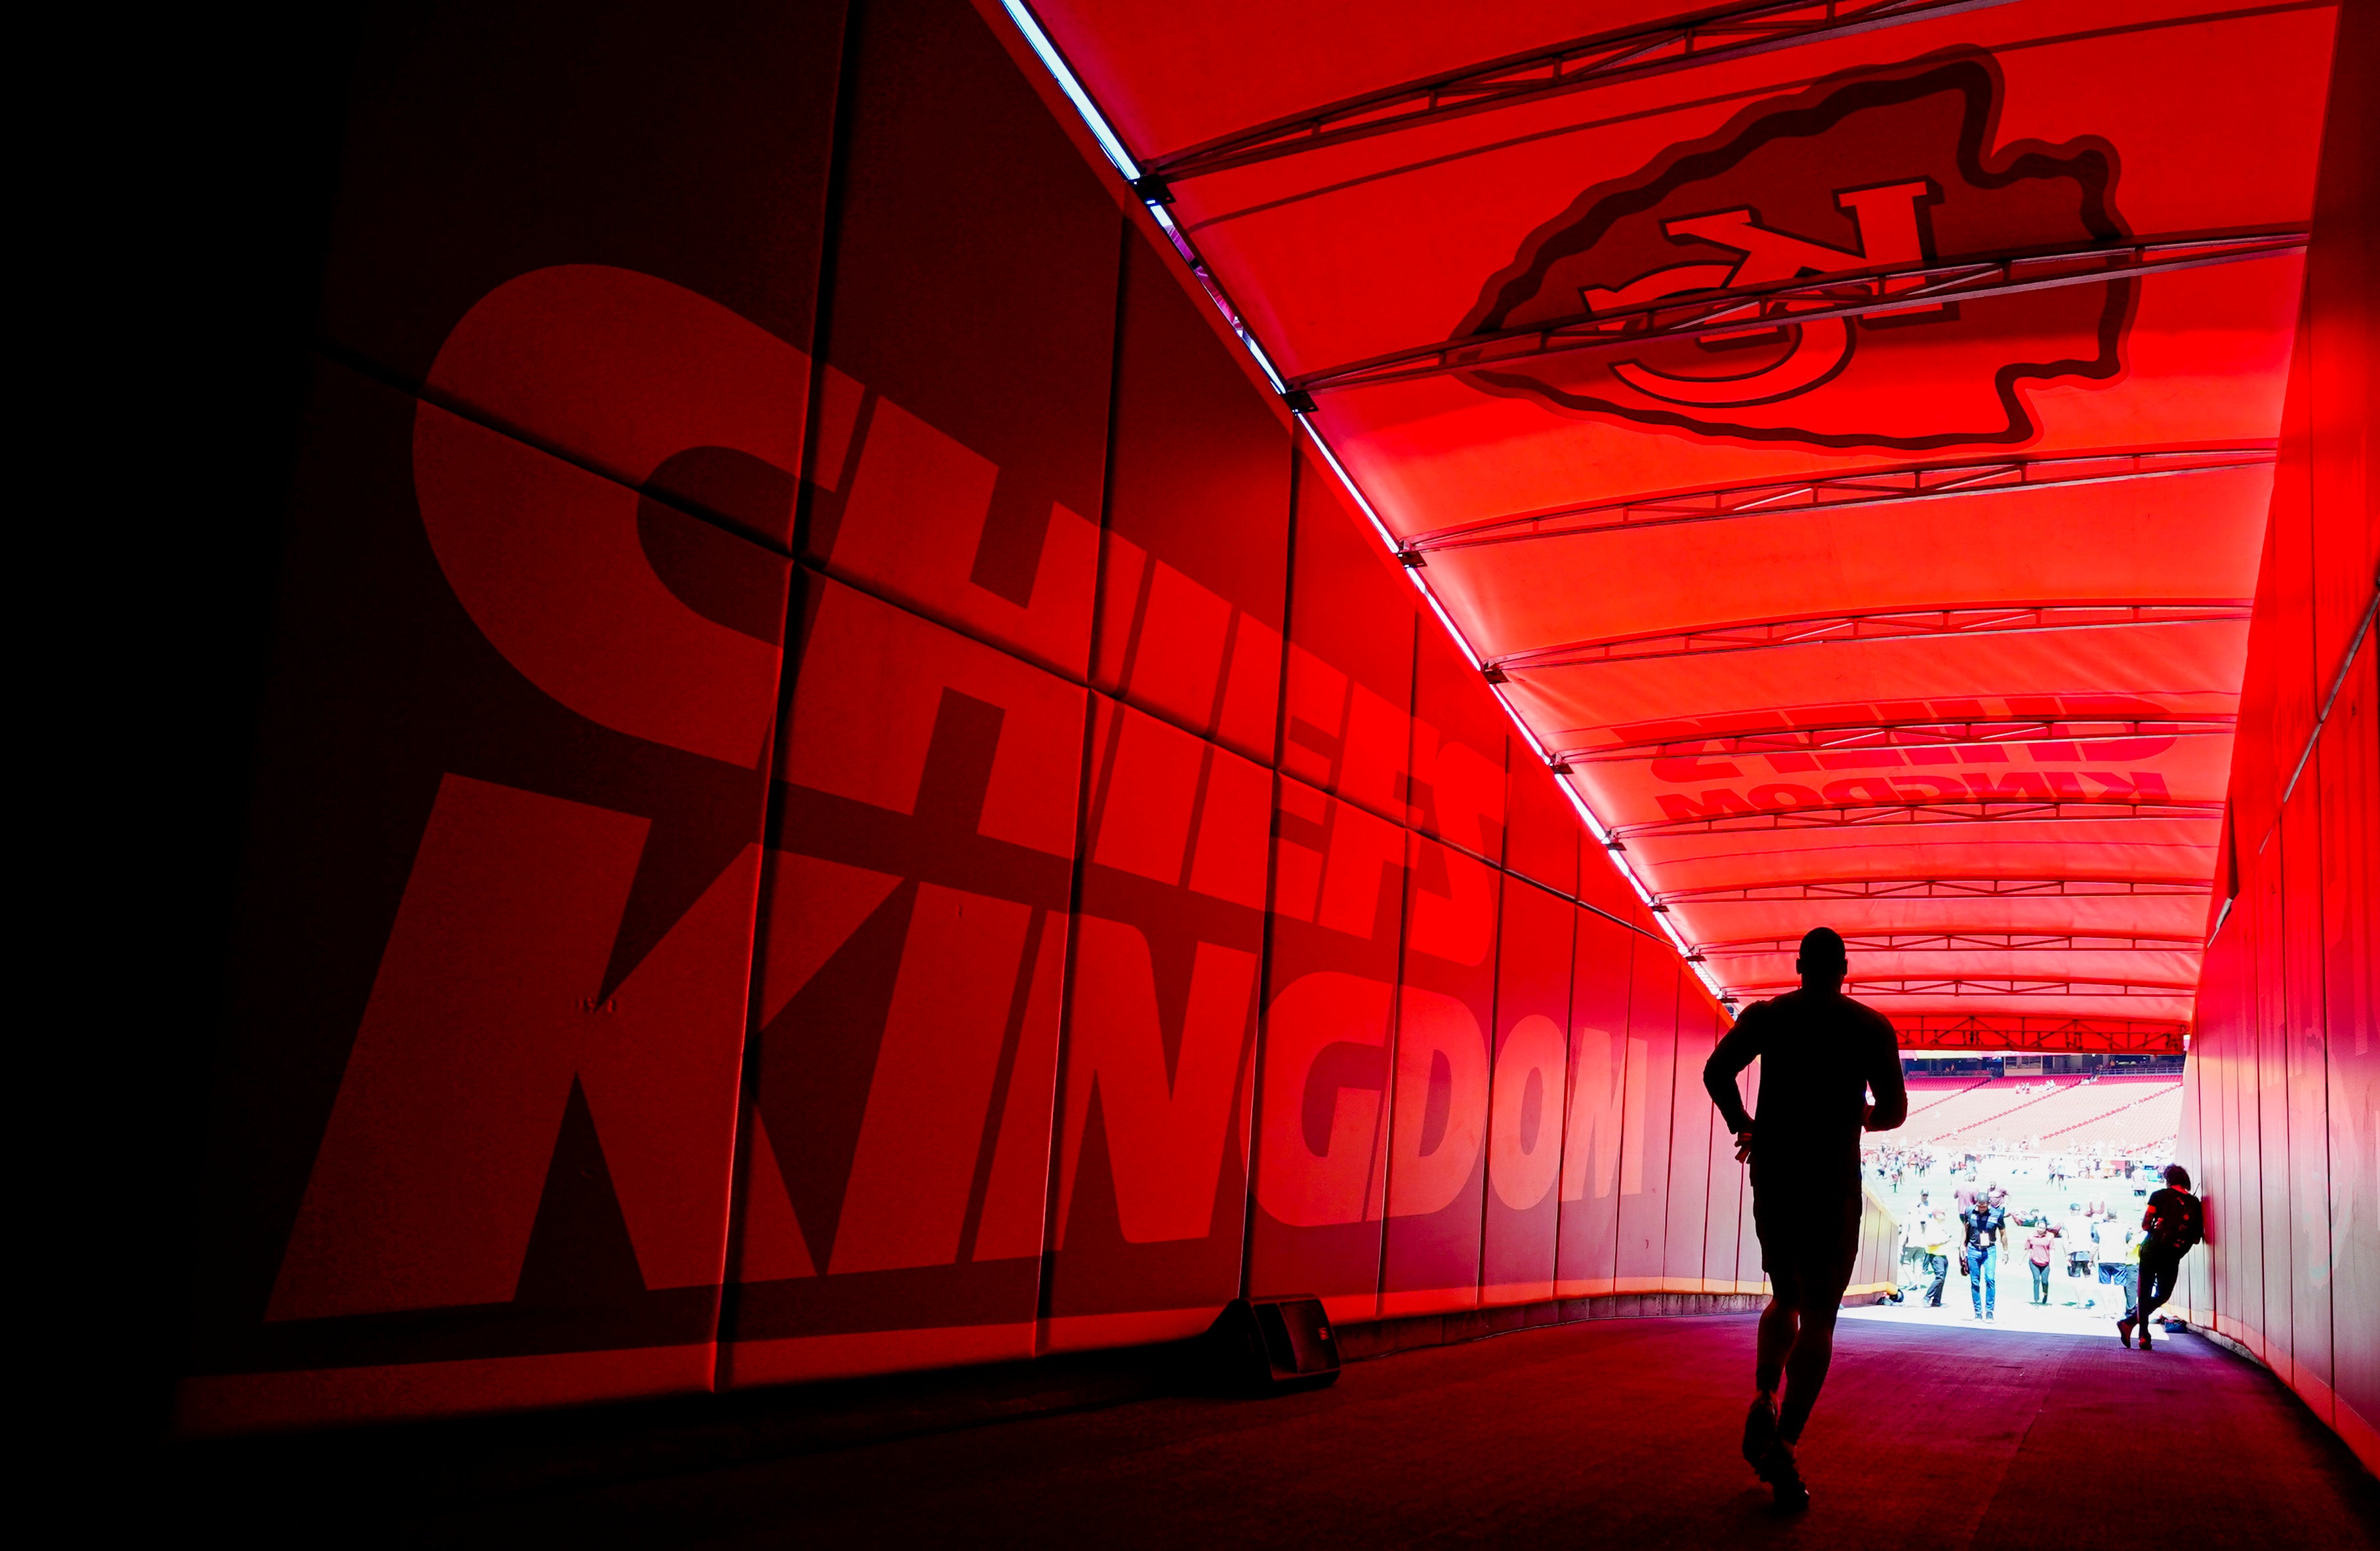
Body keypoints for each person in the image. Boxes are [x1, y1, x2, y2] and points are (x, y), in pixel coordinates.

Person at [1704, 927, 1906, 1511]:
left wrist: (1746, 1123)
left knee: (1784, 1296)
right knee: (1820, 1317)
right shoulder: (1870, 1027)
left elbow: (1716, 1072)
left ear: (1798, 965)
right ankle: (1785, 1443)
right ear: (1844, 968)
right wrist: (1859, 1115)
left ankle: (1765, 1392)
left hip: (1775, 1175)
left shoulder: (1769, 1016)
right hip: (1832, 1183)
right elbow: (1892, 1110)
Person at [2127, 1164, 2204, 1349]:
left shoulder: (2158, 1196)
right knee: (2163, 1294)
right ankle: (2130, 1323)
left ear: (2168, 1180)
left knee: (2144, 1293)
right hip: (2173, 1253)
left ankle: (2142, 1334)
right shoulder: (2194, 1203)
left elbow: (2146, 1224)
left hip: (2152, 1248)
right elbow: (2196, 1237)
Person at [1960, 1188, 2006, 1319]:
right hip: (1974, 1249)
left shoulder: (1997, 1214)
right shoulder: (1969, 1211)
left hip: (1989, 1250)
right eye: (1979, 1207)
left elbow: (2003, 1233)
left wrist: (2006, 1251)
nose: (1981, 1209)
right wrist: (1962, 1246)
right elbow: (1965, 1229)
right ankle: (1978, 1312)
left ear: (1988, 1204)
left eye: (1984, 1207)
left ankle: (1990, 1311)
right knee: (1975, 1282)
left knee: (1990, 1279)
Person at [2095, 1207, 2139, 1329]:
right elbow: (2131, 1241)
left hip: (2104, 1260)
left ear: (2107, 1216)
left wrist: (2090, 1258)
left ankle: (2107, 1311)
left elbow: (2094, 1245)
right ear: (2116, 1216)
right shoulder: (2123, 1228)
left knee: (2105, 1286)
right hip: (2120, 1260)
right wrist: (2127, 1250)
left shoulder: (2100, 1227)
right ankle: (2119, 1312)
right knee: (2119, 1286)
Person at [2026, 1221, 2058, 1305]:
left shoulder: (2049, 1236)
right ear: (2037, 1227)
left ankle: (2045, 1294)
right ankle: (2036, 1299)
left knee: (2044, 1281)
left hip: (2045, 1263)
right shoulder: (2031, 1235)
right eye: (2040, 1228)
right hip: (2034, 1262)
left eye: (2043, 1228)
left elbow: (2051, 1250)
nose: (2041, 1230)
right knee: (2036, 1279)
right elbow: (2027, 1248)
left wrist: (2052, 1262)